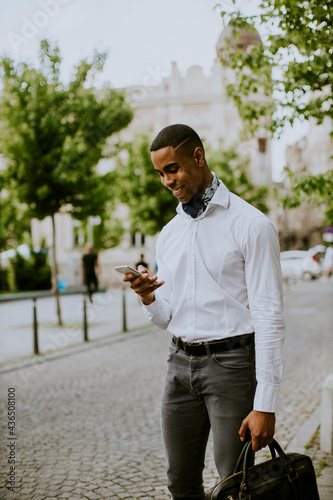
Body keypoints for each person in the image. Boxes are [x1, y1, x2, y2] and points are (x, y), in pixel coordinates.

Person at [122, 124, 285, 499]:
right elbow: (166, 316)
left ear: (198, 157)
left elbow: (270, 317)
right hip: (179, 367)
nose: (166, 181)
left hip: (232, 367)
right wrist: (148, 296)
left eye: (173, 169)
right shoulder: (169, 233)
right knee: (180, 482)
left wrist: (266, 404)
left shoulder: (251, 225)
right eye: (160, 173)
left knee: (235, 485)